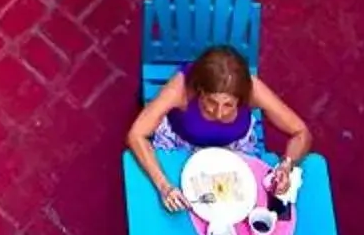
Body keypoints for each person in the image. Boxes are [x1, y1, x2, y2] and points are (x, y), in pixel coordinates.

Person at [125, 43, 313, 216]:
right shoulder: (180, 89)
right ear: (200, 91)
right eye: (211, 103)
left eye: (229, 105)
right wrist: (164, 186)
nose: (219, 113)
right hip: (181, 143)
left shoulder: (253, 89)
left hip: (235, 147)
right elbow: (136, 134)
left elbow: (300, 132)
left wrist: (287, 165)